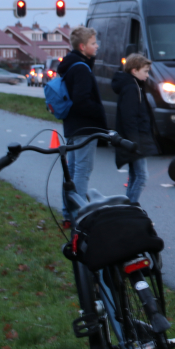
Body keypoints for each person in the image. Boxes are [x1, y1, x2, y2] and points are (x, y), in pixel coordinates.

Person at [57, 26, 107, 226]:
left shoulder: (71, 65)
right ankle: (77, 215)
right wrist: (99, 112)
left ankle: (68, 213)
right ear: (82, 46)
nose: (97, 46)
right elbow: (82, 100)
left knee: (71, 171)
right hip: (85, 127)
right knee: (82, 171)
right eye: (93, 43)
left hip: (72, 125)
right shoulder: (81, 68)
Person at [112, 54, 157, 204]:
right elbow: (129, 118)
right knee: (142, 176)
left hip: (134, 139)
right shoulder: (132, 88)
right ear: (134, 70)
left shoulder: (133, 86)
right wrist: (135, 142)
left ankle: (127, 206)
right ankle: (130, 207)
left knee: (134, 175)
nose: (147, 75)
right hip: (135, 140)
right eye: (145, 71)